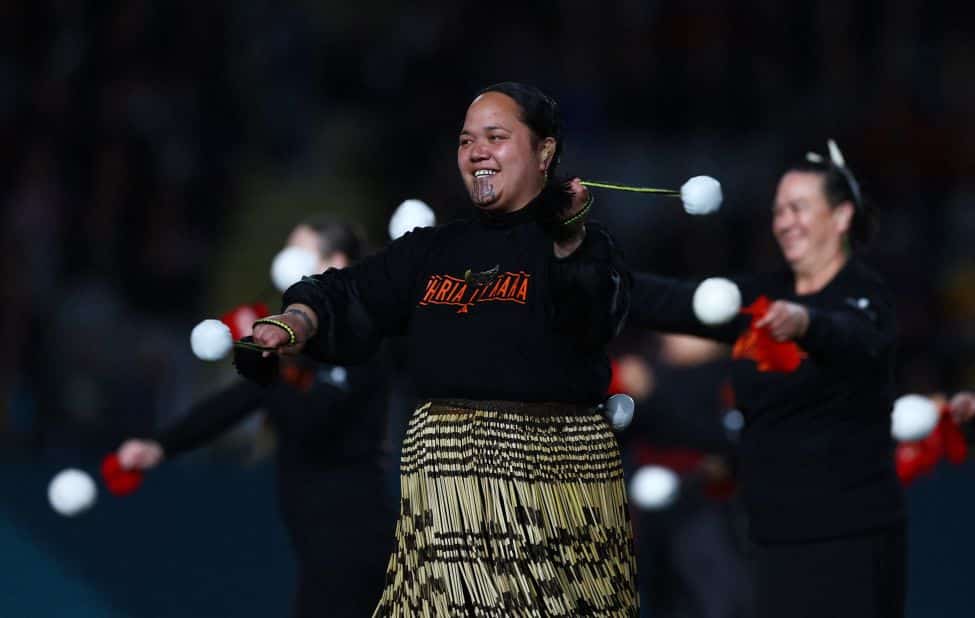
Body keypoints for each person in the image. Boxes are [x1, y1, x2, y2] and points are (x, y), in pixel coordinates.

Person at [246, 82, 639, 616]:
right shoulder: (431, 252)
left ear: (545, 151)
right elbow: (347, 291)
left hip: (555, 488)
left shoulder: (580, 248)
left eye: (495, 137)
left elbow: (592, 316)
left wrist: (568, 240)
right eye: (465, 140)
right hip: (448, 490)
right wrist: (295, 321)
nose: (477, 150)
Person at [628, 146, 905, 618]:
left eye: (799, 208)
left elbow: (855, 336)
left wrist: (806, 323)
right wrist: (586, 266)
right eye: (778, 210)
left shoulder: (864, 295)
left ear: (841, 216)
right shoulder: (763, 295)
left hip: (852, 543)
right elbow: (670, 301)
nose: (784, 222)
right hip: (772, 541)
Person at [115, 217, 396, 618]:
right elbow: (240, 400)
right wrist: (161, 445)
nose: (287, 265)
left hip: (353, 541)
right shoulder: (297, 343)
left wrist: (268, 362)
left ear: (336, 262)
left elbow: (310, 421)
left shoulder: (360, 335)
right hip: (317, 544)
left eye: (300, 255)